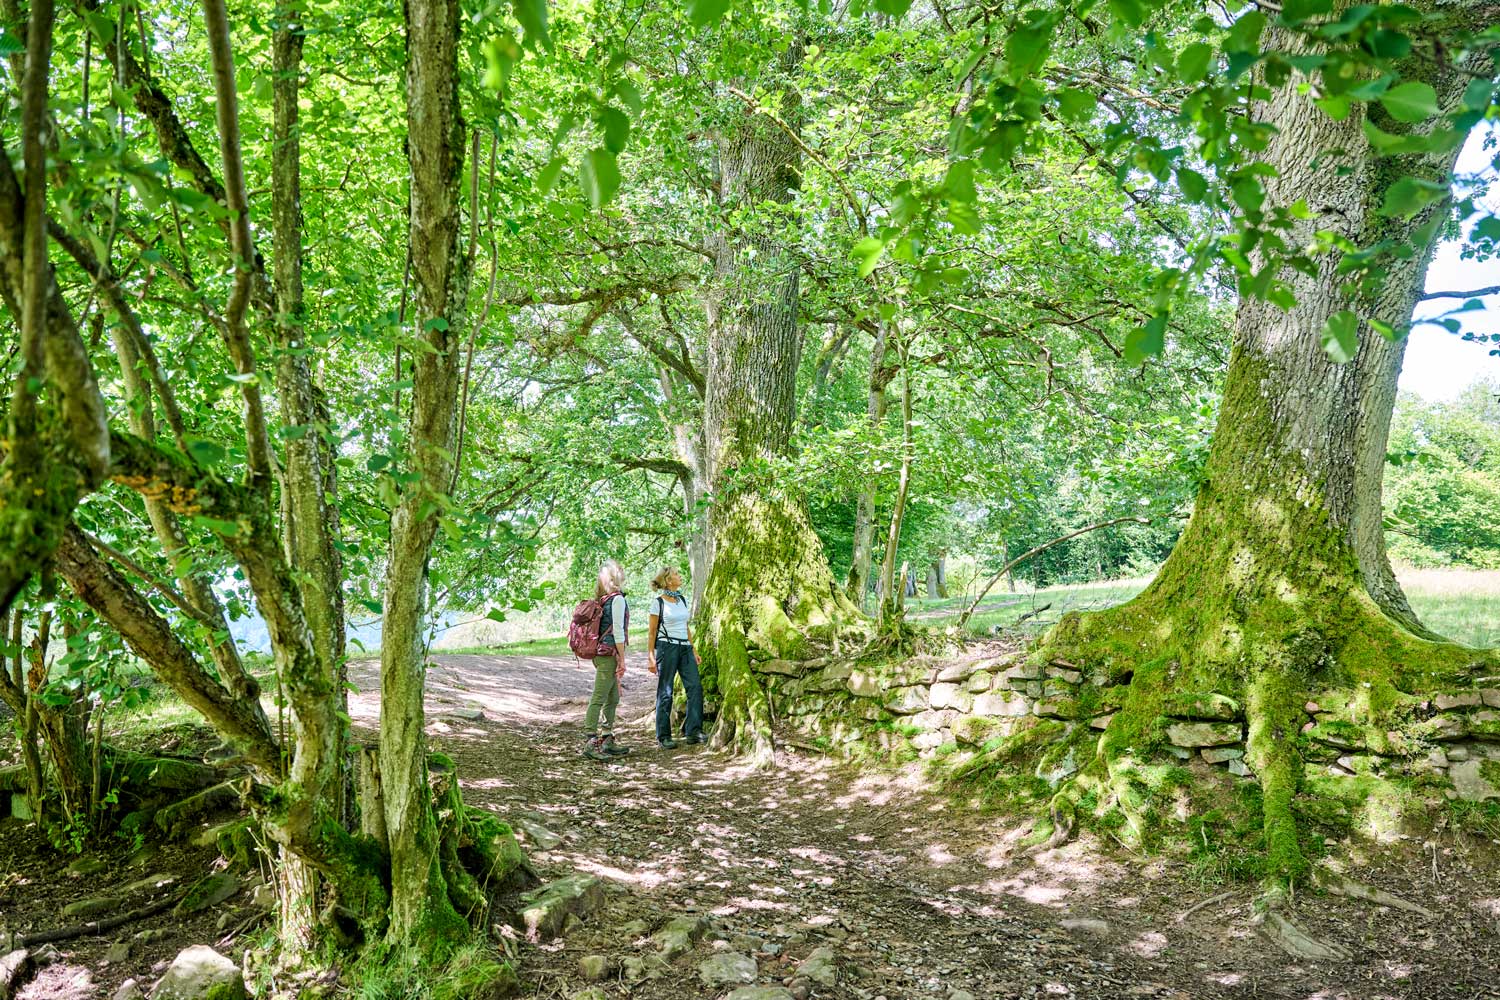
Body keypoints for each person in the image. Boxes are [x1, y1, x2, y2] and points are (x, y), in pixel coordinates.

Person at [645, 566, 704, 749]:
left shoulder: (682, 600)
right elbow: (652, 632)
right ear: (669, 581)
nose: (680, 576)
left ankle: (693, 731)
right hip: (666, 648)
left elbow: (685, 627)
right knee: (666, 692)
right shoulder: (658, 603)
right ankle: (663, 736)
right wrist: (651, 657)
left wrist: (693, 649)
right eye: (677, 575)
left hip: (685, 648)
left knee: (695, 687)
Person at [583, 560, 631, 761]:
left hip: (600, 654)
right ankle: (590, 741)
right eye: (620, 570)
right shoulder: (617, 600)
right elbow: (618, 632)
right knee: (599, 697)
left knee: (613, 698)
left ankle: (607, 738)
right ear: (615, 577)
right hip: (608, 655)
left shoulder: (604, 599)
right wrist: (622, 659)